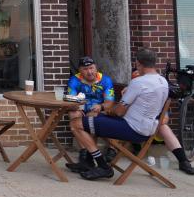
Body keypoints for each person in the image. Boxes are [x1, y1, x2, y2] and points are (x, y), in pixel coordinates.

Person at [69, 48, 169, 181]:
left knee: (76, 124)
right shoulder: (163, 82)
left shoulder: (139, 82)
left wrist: (108, 111)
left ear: (139, 64)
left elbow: (119, 111)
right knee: (93, 121)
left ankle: (103, 166)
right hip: (149, 128)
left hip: (131, 128)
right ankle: (87, 161)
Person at [64, 56, 115, 172]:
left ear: (96, 68)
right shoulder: (75, 80)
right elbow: (71, 100)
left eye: (91, 68)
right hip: (81, 108)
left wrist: (101, 106)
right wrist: (78, 107)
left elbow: (109, 103)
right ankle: (84, 156)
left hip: (99, 110)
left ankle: (89, 157)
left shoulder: (105, 80)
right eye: (85, 69)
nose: (89, 72)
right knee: (73, 114)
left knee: (91, 119)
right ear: (80, 71)